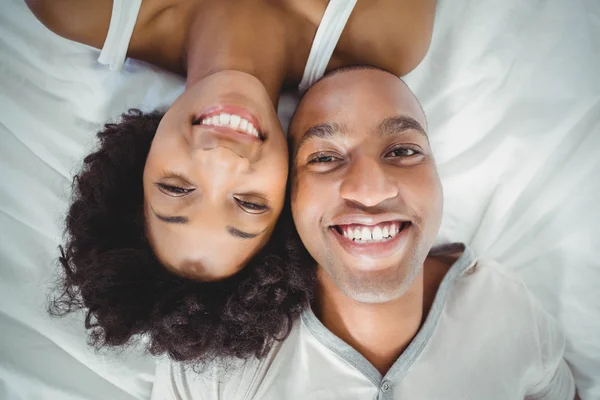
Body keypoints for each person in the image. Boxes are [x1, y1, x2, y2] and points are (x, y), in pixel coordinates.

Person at [25, 0, 436, 364]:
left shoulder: (72, 7)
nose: (222, 159)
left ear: (139, 165)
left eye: (176, 188)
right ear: (289, 186)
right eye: (250, 203)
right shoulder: (388, 28)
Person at [151, 66, 578, 399]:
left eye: (403, 151)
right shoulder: (214, 361)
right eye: (323, 158)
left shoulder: (508, 312)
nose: (370, 192)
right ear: (288, 196)